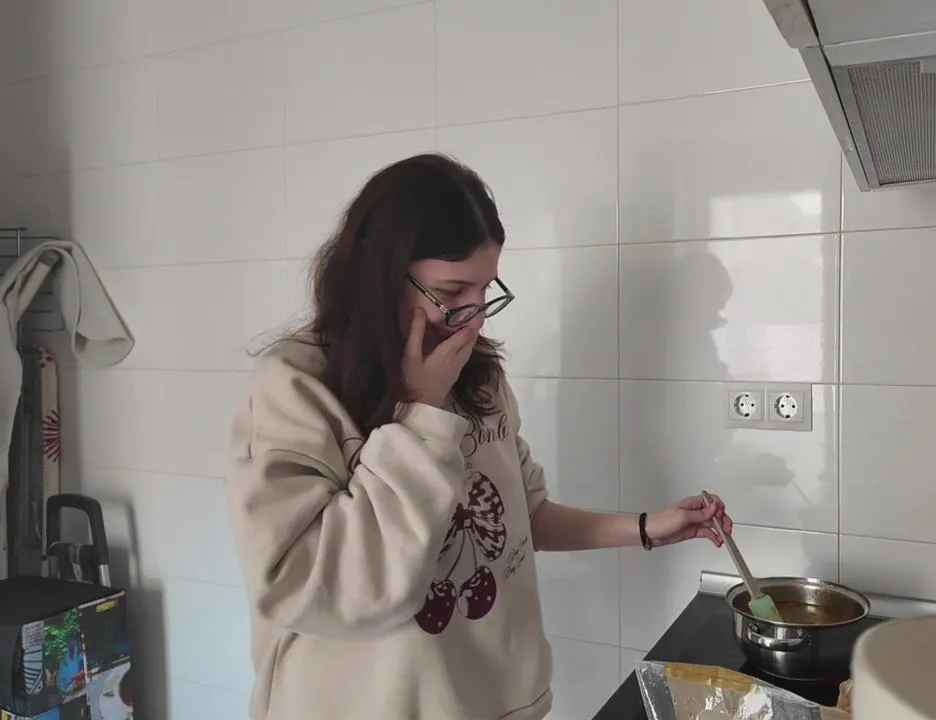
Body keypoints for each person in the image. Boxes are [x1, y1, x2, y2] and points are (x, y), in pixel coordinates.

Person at [224, 153, 734, 720]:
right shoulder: (296, 387)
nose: (475, 316)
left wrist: (646, 528)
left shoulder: (477, 374)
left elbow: (523, 515)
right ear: (378, 276)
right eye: (452, 291)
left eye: (485, 289)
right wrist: (420, 414)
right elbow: (307, 586)